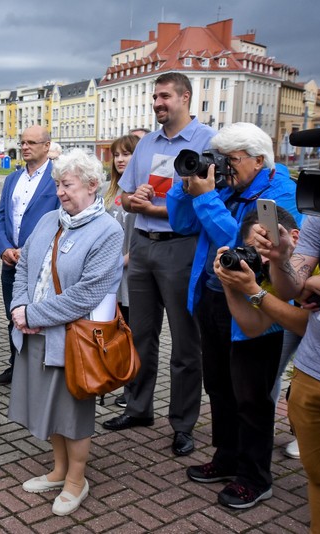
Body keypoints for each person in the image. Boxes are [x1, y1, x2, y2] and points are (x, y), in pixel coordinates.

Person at [167, 121, 301, 509]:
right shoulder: (226, 187)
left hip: (257, 309)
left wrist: (207, 198)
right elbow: (182, 223)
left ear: (259, 159)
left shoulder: (281, 196)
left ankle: (255, 477)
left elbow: (250, 249)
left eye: (232, 160)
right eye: (220, 159)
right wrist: (186, 182)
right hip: (212, 300)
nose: (224, 167)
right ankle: (227, 456)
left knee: (251, 396)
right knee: (220, 387)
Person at [103, 73, 216, 457]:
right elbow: (125, 196)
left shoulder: (207, 142)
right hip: (143, 246)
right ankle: (137, 408)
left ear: (186, 97)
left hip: (182, 248)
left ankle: (183, 425)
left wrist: (154, 207)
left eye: (165, 96)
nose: (157, 103)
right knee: (140, 335)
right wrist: (138, 201)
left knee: (185, 342)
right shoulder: (147, 143)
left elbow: (206, 199)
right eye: (154, 97)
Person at [8, 148, 123, 517]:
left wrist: (33, 313)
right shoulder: (49, 221)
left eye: (67, 185)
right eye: (58, 184)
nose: (60, 191)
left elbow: (86, 294)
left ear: (92, 186)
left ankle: (77, 479)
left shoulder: (107, 230)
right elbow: (25, 266)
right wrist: (18, 308)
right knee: (48, 405)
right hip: (35, 331)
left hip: (74, 341)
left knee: (72, 413)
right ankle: (59, 470)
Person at [252, 149, 320, 532]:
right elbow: (289, 287)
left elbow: (306, 283)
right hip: (313, 369)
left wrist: (313, 282)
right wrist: (280, 258)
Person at [215, 207, 308, 462]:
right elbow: (252, 326)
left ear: (295, 238)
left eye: (267, 248)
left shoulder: (311, 262)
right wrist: (230, 284)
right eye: (253, 249)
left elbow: (306, 325)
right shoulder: (265, 270)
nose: (262, 257)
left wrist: (255, 290)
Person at [0, 125, 60, 385]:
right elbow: (0, 217)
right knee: (13, 314)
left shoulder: (56, 177)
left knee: (40, 316)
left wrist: (31, 250)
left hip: (42, 261)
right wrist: (4, 247)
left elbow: (60, 220)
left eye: (31, 142)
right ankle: (15, 365)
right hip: (12, 261)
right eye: (22, 143)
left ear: (46, 146)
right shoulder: (12, 178)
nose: (25, 147)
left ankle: (40, 369)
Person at [103, 134, 140, 408]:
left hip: (131, 274)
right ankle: (115, 380)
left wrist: (123, 260)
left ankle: (134, 391)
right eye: (116, 155)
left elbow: (142, 236)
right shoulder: (108, 190)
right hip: (109, 276)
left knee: (134, 334)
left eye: (126, 154)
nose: (120, 160)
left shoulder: (141, 192)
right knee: (114, 333)